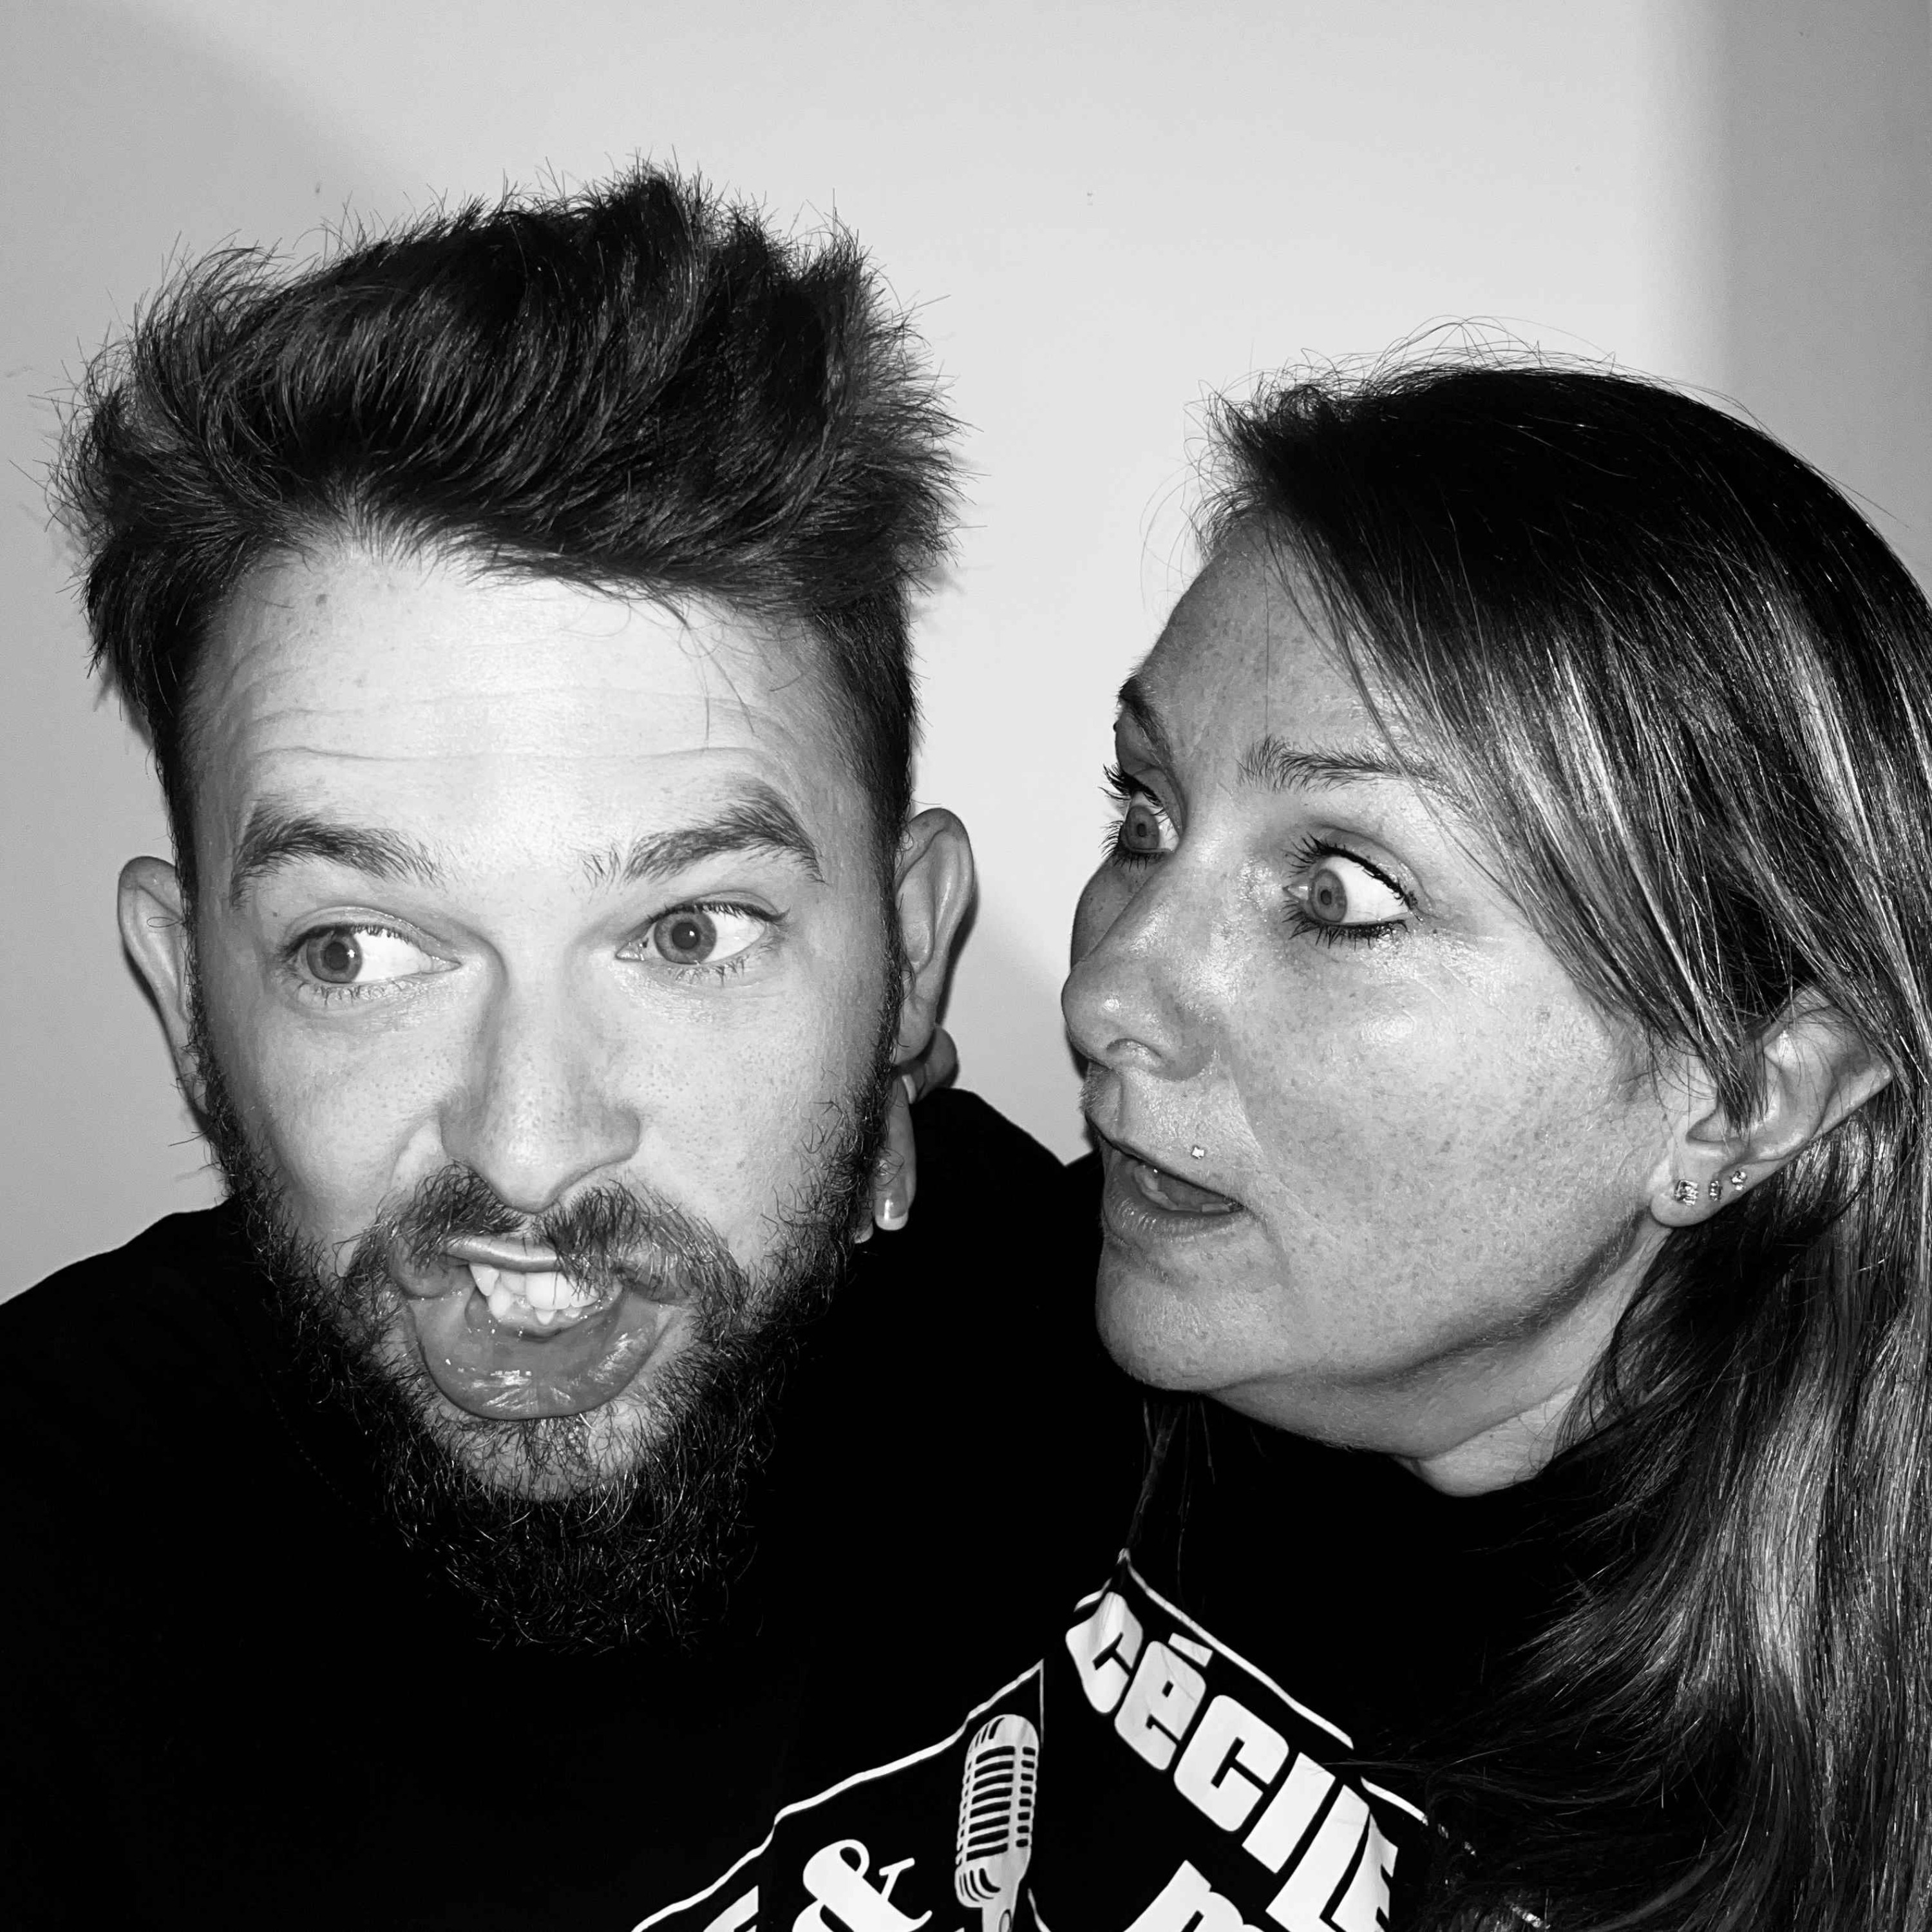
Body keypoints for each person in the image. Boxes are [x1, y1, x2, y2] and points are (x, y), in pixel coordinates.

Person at [3, 167, 1135, 1931]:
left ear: (910, 958)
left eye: (689, 935)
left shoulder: (1165, 1354)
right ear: (185, 997)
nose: (528, 1153)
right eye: (356, 952)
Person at [1018, 358, 1932, 1932]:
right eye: (1145, 817)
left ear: (1742, 1099)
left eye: (1337, 895)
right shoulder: (1001, 1331)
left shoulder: (1811, 1832)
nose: (1105, 993)